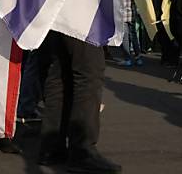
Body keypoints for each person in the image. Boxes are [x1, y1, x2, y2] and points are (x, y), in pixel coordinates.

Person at [38, 29, 121, 173]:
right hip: (80, 15)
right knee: (89, 73)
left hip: (57, 14)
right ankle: (82, 152)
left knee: (60, 72)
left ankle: (51, 147)